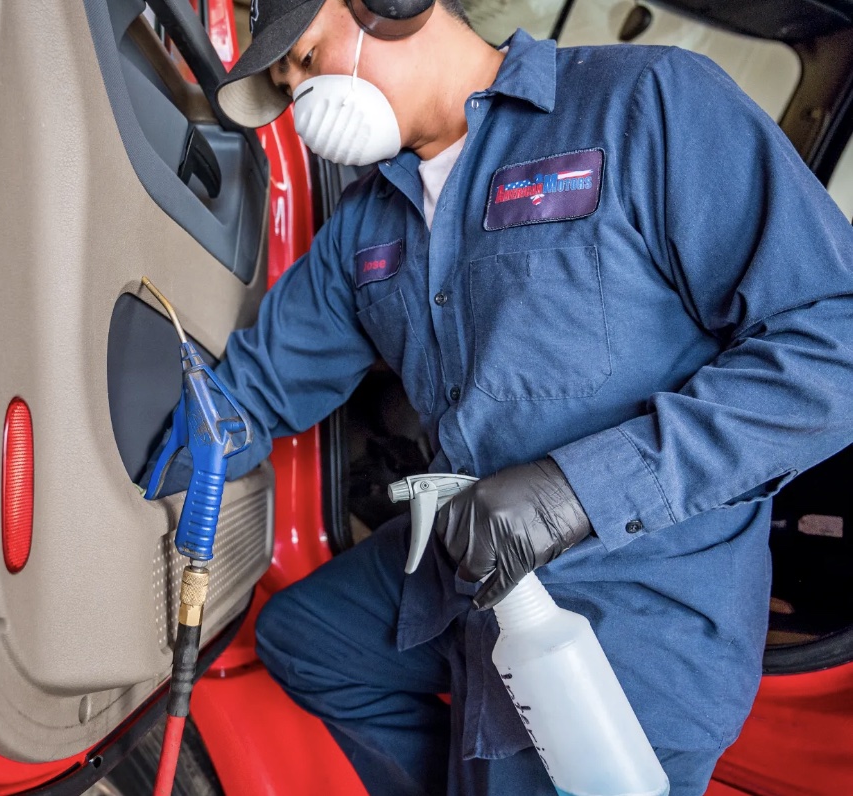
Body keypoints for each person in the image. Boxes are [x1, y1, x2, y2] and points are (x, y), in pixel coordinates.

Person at [149, 0, 853, 792]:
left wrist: (575, 493)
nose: (304, 104)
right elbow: (261, 385)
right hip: (467, 567)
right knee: (308, 637)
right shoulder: (367, 225)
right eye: (285, 85)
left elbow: (835, 341)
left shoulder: (645, 103)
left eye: (306, 60)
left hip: (633, 617)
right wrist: (144, 454)